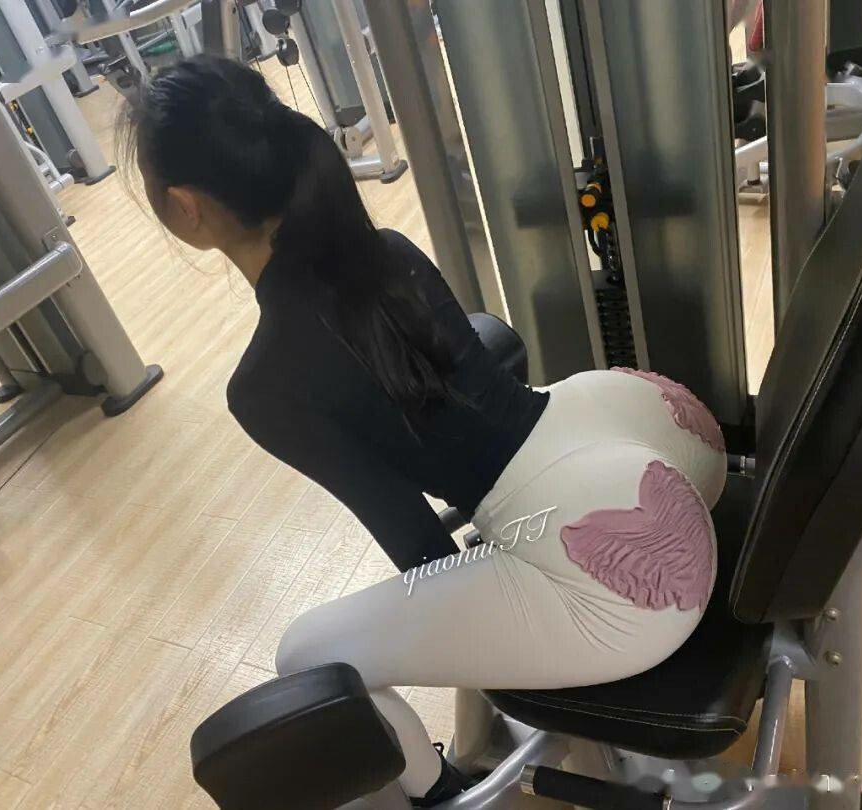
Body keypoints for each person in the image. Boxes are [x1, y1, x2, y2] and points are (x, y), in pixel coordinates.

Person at [121, 55, 727, 806]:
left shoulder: (264, 386)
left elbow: (418, 547)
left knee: (306, 656)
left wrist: (474, 602)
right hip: (656, 427)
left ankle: (439, 793)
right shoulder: (389, 250)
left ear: (185, 207)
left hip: (628, 568)